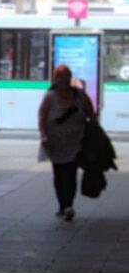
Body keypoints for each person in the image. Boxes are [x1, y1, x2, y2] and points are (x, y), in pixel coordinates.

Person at [37, 64, 95, 221]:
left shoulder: (79, 95)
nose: (63, 80)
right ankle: (62, 205)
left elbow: (91, 114)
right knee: (59, 173)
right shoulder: (50, 96)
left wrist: (92, 133)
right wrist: (43, 136)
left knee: (71, 173)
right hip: (55, 143)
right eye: (60, 77)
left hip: (75, 142)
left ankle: (69, 204)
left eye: (66, 76)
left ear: (70, 78)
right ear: (56, 79)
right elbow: (42, 116)